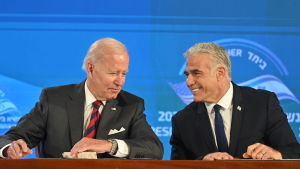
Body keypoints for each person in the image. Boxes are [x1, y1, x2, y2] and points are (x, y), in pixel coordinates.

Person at [0, 38, 164, 159]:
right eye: (113, 73)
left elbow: (154, 148)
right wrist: (9, 149)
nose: (120, 81)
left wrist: (109, 145)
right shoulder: (54, 100)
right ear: (91, 69)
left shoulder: (130, 105)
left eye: (124, 73)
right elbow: (10, 138)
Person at [170, 42, 300, 160]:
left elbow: (293, 151)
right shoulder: (182, 121)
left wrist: (275, 153)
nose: (189, 82)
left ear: (220, 73)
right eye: (187, 75)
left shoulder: (263, 104)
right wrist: (202, 164)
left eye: (196, 73)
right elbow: (176, 166)